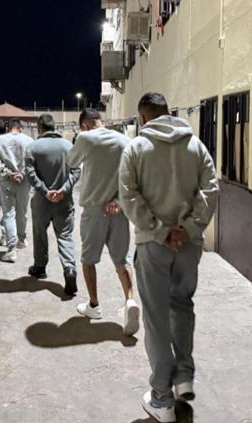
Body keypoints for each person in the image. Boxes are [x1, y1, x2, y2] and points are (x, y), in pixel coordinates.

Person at [118, 92, 218, 422]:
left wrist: (160, 231)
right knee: (182, 306)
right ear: (170, 113)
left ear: (142, 118)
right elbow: (210, 189)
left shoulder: (136, 148)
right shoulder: (196, 146)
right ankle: (184, 377)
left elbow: (128, 195)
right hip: (188, 245)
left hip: (153, 245)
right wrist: (188, 228)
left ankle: (162, 399)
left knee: (157, 318)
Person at [68, 108, 139, 335]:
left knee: (88, 259)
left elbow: (71, 161)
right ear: (101, 120)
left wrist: (79, 140)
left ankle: (94, 305)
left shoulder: (85, 138)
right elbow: (133, 175)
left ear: (84, 125)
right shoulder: (125, 140)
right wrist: (118, 200)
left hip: (94, 209)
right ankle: (130, 301)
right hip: (118, 208)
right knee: (122, 259)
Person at [25, 114, 81, 295]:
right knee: (65, 236)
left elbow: (30, 174)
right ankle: (69, 269)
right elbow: (76, 171)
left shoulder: (33, 147)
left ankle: (40, 267)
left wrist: (45, 191)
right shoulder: (68, 146)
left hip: (42, 201)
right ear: (54, 126)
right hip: (64, 200)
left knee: (39, 233)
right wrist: (63, 190)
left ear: (39, 127)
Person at [0, 118, 34, 262]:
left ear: (8, 127)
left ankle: (11, 250)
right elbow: (31, 161)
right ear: (20, 128)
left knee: (8, 214)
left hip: (6, 181)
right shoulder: (29, 140)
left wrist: (9, 173)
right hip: (24, 182)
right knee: (22, 212)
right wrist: (21, 173)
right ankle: (21, 239)